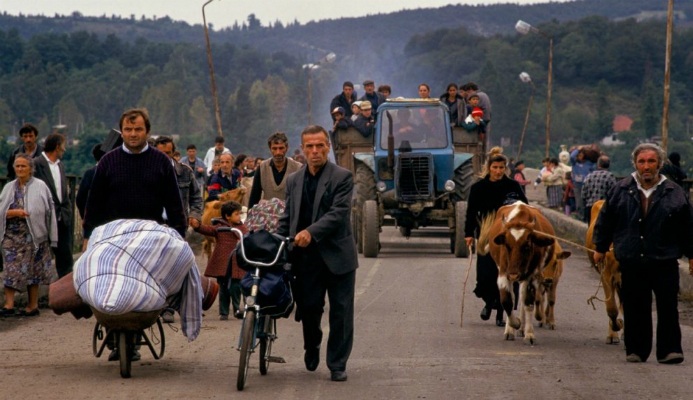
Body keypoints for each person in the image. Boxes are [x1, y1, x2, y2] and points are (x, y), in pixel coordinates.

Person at [593, 143, 693, 364]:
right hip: (632, 259)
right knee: (635, 305)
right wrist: (600, 247)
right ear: (635, 164)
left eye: (651, 161)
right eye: (642, 161)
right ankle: (636, 349)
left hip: (664, 258)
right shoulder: (620, 189)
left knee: (668, 306)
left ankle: (669, 350)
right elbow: (606, 220)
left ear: (659, 163)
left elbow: (687, 227)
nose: (646, 166)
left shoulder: (674, 192)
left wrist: (691, 254)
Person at [277, 125, 357, 382]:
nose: (314, 151)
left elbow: (338, 214)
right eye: (309, 146)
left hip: (338, 256)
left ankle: (337, 363)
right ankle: (312, 345)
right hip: (306, 258)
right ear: (302, 149)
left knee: (341, 312)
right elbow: (288, 218)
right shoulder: (294, 180)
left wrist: (311, 232)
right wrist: (277, 241)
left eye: (319, 145)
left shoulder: (342, 177)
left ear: (328, 147)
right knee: (309, 309)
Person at [83, 108, 186, 241]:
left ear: (147, 132)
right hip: (114, 238)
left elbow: (174, 204)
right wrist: (87, 236)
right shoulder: (107, 162)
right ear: (121, 133)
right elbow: (94, 203)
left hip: (151, 237)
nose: (133, 134)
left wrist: (180, 236)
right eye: (128, 129)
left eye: (138, 129)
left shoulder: (162, 162)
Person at [464, 147, 527, 327]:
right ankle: (488, 302)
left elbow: (524, 207)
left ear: (505, 168)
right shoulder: (478, 188)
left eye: (501, 168)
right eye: (495, 167)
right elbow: (470, 213)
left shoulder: (513, 187)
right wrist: (468, 234)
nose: (498, 171)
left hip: (509, 239)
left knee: (509, 273)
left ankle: (502, 312)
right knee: (486, 274)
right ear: (489, 168)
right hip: (485, 235)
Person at [0, 153, 57, 317]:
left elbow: (48, 210)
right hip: (11, 235)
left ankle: (33, 306)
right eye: (17, 166)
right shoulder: (9, 187)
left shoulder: (40, 186)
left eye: (23, 166)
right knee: (10, 268)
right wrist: (13, 212)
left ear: (30, 169)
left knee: (33, 270)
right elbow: (1, 209)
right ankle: (8, 304)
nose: (19, 169)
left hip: (34, 237)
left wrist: (52, 235)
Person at [193, 201, 247, 320]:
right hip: (223, 263)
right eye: (236, 214)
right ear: (228, 216)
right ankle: (224, 312)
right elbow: (208, 229)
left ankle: (237, 308)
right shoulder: (219, 227)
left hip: (236, 263)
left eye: (240, 214)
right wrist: (197, 226)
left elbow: (247, 236)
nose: (239, 217)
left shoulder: (241, 227)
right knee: (223, 287)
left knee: (236, 287)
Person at [33, 133, 73, 278]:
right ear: (57, 146)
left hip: (62, 216)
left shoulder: (60, 165)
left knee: (65, 254)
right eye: (63, 146)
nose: (64, 149)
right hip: (44, 217)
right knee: (41, 253)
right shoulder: (37, 164)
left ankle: (65, 284)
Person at [154, 136, 203, 229]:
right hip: (154, 224)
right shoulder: (147, 172)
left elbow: (196, 198)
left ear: (173, 153)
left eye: (168, 153)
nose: (165, 156)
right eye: (161, 153)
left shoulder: (186, 171)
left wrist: (194, 215)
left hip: (178, 224)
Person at [248, 132, 302, 209]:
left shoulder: (297, 168)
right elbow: (254, 197)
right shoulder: (262, 168)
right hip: (268, 216)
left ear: (286, 148)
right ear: (270, 149)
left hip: (290, 215)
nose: (278, 152)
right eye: (274, 148)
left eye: (281, 148)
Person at [581, 155, 617, 222]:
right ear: (608, 165)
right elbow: (614, 194)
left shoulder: (589, 176)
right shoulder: (610, 176)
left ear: (598, 164)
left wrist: (584, 206)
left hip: (590, 207)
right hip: (603, 208)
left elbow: (583, 194)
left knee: (591, 229)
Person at [76, 144, 106, 220]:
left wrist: (85, 216)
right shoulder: (111, 172)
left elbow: (80, 198)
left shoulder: (89, 173)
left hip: (92, 219)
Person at [570, 146, 596, 222]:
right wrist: (578, 149)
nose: (579, 157)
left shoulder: (589, 164)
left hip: (587, 185)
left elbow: (596, 164)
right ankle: (580, 217)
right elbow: (572, 156)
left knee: (587, 202)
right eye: (578, 155)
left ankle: (586, 218)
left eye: (581, 155)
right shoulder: (574, 163)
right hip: (577, 185)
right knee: (579, 203)